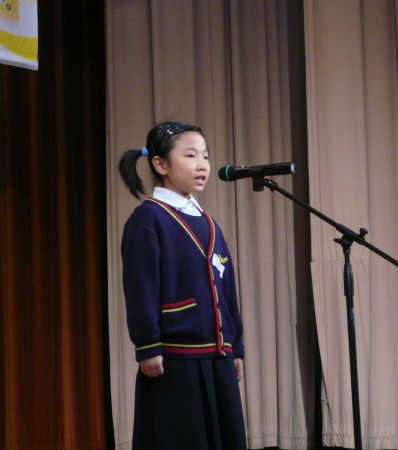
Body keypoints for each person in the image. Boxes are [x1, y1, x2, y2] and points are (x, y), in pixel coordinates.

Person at [119, 121, 247, 449]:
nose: (202, 164)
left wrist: (234, 345)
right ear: (160, 164)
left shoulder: (209, 222)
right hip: (176, 360)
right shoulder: (148, 219)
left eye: (205, 155)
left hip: (217, 355)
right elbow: (141, 287)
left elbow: (227, 288)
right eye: (190, 155)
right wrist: (148, 345)